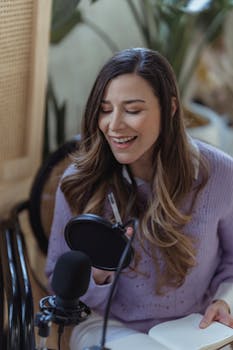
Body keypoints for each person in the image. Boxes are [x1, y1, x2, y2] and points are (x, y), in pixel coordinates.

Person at [45, 47, 233, 349]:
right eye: (105, 109)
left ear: (170, 108)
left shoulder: (222, 175)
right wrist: (100, 272)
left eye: (132, 110)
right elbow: (59, 279)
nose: (114, 124)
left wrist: (225, 301)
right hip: (107, 324)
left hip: (196, 324)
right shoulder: (79, 183)